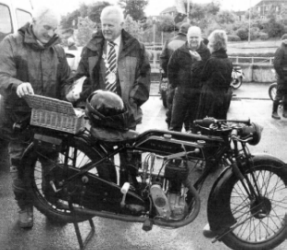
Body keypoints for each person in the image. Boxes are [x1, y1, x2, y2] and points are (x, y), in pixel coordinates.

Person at [0, 5, 72, 229]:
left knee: (51, 164)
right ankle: (25, 208)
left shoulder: (58, 50)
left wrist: (71, 91)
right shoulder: (10, 43)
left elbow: (65, 80)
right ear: (33, 22)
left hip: (49, 120)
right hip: (19, 120)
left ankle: (51, 205)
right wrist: (16, 85)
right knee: (20, 165)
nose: (50, 32)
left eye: (54, 28)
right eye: (46, 27)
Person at [67, 5, 151, 182]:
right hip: (100, 114)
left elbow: (144, 78)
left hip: (126, 115)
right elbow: (82, 76)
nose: (106, 29)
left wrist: (133, 100)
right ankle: (109, 197)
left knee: (129, 161)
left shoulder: (136, 47)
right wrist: (84, 94)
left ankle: (128, 196)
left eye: (110, 25)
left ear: (121, 24)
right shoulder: (91, 47)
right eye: (103, 24)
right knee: (103, 159)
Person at [168, 26, 210, 132]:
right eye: (191, 37)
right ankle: (175, 147)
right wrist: (176, 84)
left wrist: (199, 62)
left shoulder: (206, 53)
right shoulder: (179, 52)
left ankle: (192, 147)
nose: (194, 40)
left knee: (195, 126)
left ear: (200, 38)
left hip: (198, 94)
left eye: (196, 37)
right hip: (181, 92)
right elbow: (171, 68)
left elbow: (209, 72)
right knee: (175, 124)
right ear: (187, 37)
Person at [196, 30, 233, 120]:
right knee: (220, 124)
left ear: (214, 44)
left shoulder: (212, 61)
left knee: (207, 126)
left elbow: (202, 77)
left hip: (209, 99)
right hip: (223, 98)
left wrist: (198, 61)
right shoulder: (228, 61)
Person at [159, 22, 190, 128]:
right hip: (186, 85)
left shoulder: (169, 41)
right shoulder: (190, 42)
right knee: (188, 115)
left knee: (172, 112)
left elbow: (163, 59)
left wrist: (169, 75)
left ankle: (171, 137)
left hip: (172, 83)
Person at [272, 33, 287, 119]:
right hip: (282, 76)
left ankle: (285, 112)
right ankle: (274, 112)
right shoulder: (280, 49)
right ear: (284, 40)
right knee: (279, 94)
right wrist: (282, 75)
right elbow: (276, 64)